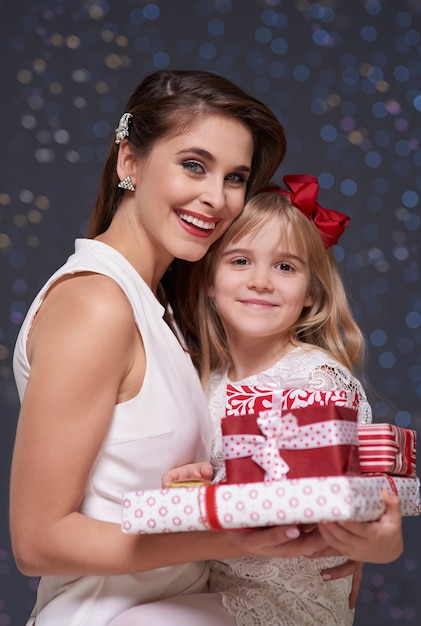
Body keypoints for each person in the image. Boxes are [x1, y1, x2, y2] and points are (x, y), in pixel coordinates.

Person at [9, 70, 332, 626]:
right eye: (194, 165)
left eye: (235, 177)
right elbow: (39, 541)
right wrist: (237, 541)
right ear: (129, 161)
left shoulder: (161, 309)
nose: (216, 198)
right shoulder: (98, 305)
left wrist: (305, 567)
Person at [156, 175, 404, 625]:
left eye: (285, 267)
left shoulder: (316, 379)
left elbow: (365, 504)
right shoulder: (202, 382)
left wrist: (371, 544)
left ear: (312, 294)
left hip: (289, 599)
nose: (261, 281)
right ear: (209, 280)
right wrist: (193, 484)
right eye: (241, 261)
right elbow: (223, 482)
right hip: (215, 582)